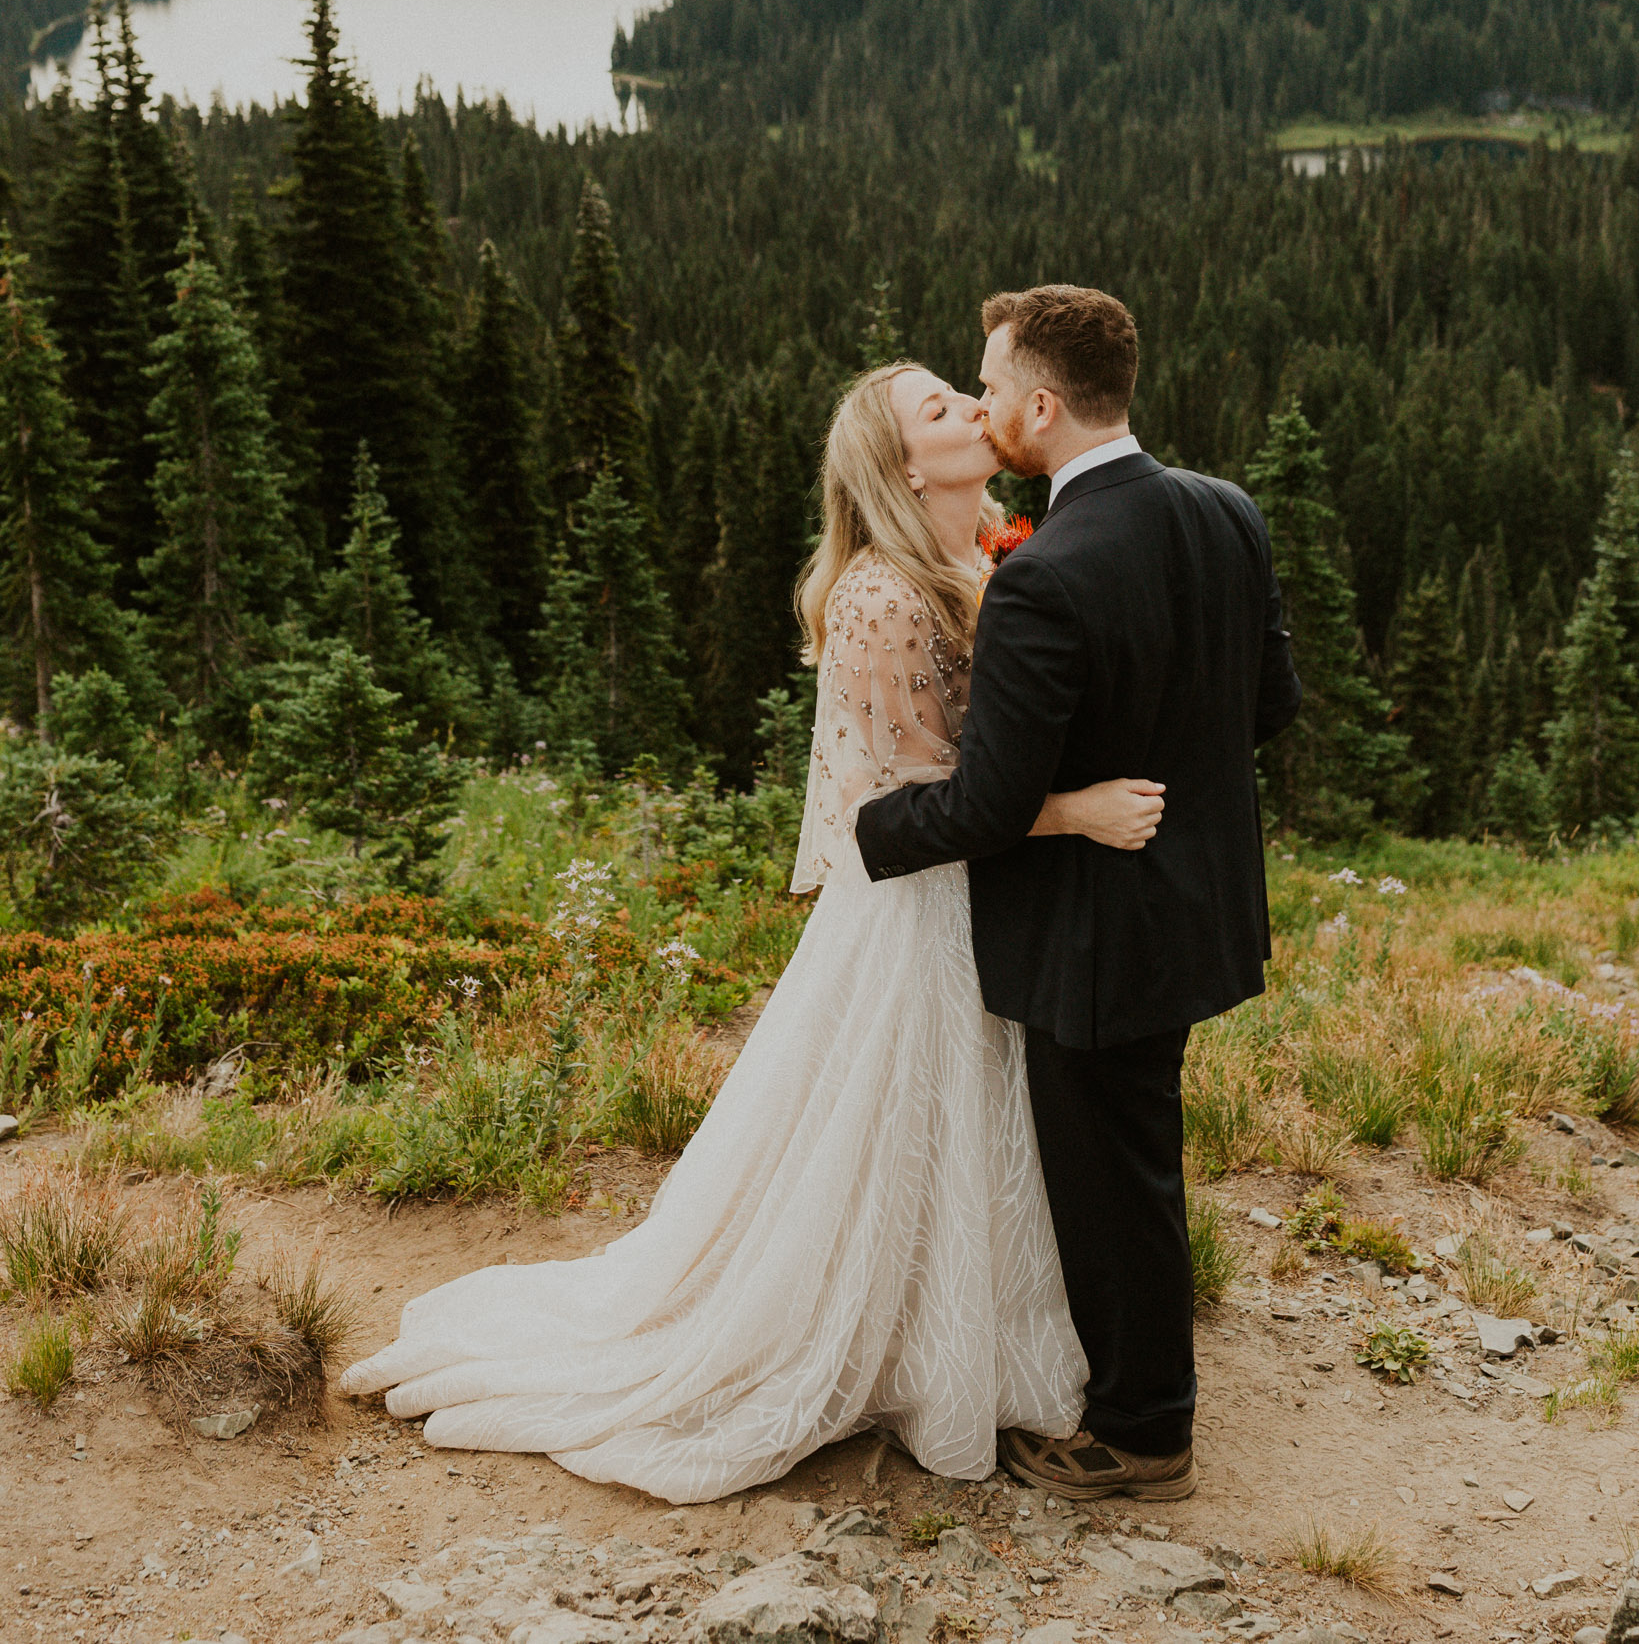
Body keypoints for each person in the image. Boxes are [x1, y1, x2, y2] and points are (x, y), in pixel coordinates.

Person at [340, 356, 1165, 1502]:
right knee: (895, 1126)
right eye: (940, 408)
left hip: (995, 898)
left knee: (976, 1129)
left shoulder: (982, 559)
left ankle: (968, 1320)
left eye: (961, 392)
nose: (973, 410)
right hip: (920, 911)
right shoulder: (882, 595)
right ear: (898, 464)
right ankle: (865, 1337)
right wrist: (1070, 811)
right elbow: (906, 808)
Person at [857, 284, 1301, 1503]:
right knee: (1139, 1158)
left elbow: (986, 808)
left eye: (991, 386)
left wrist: (871, 827)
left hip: (1093, 935)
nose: (984, 403)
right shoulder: (1226, 511)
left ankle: (1142, 1431)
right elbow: (1268, 706)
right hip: (1192, 911)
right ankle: (1139, 1392)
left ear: (1042, 406)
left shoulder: (1047, 576)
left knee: (1114, 1180)